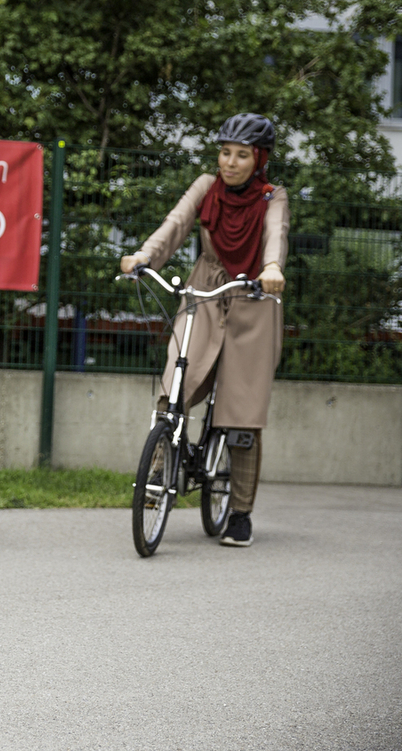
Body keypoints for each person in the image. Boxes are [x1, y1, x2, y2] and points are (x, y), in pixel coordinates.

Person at [120, 112, 289, 548]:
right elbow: (174, 226)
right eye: (225, 153)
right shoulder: (205, 187)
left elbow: (276, 235)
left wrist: (271, 267)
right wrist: (144, 255)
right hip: (206, 291)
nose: (230, 163)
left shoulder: (272, 197)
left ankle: (239, 514)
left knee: (242, 415)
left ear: (259, 159)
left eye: (241, 155)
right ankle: (162, 464)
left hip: (254, 297)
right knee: (175, 381)